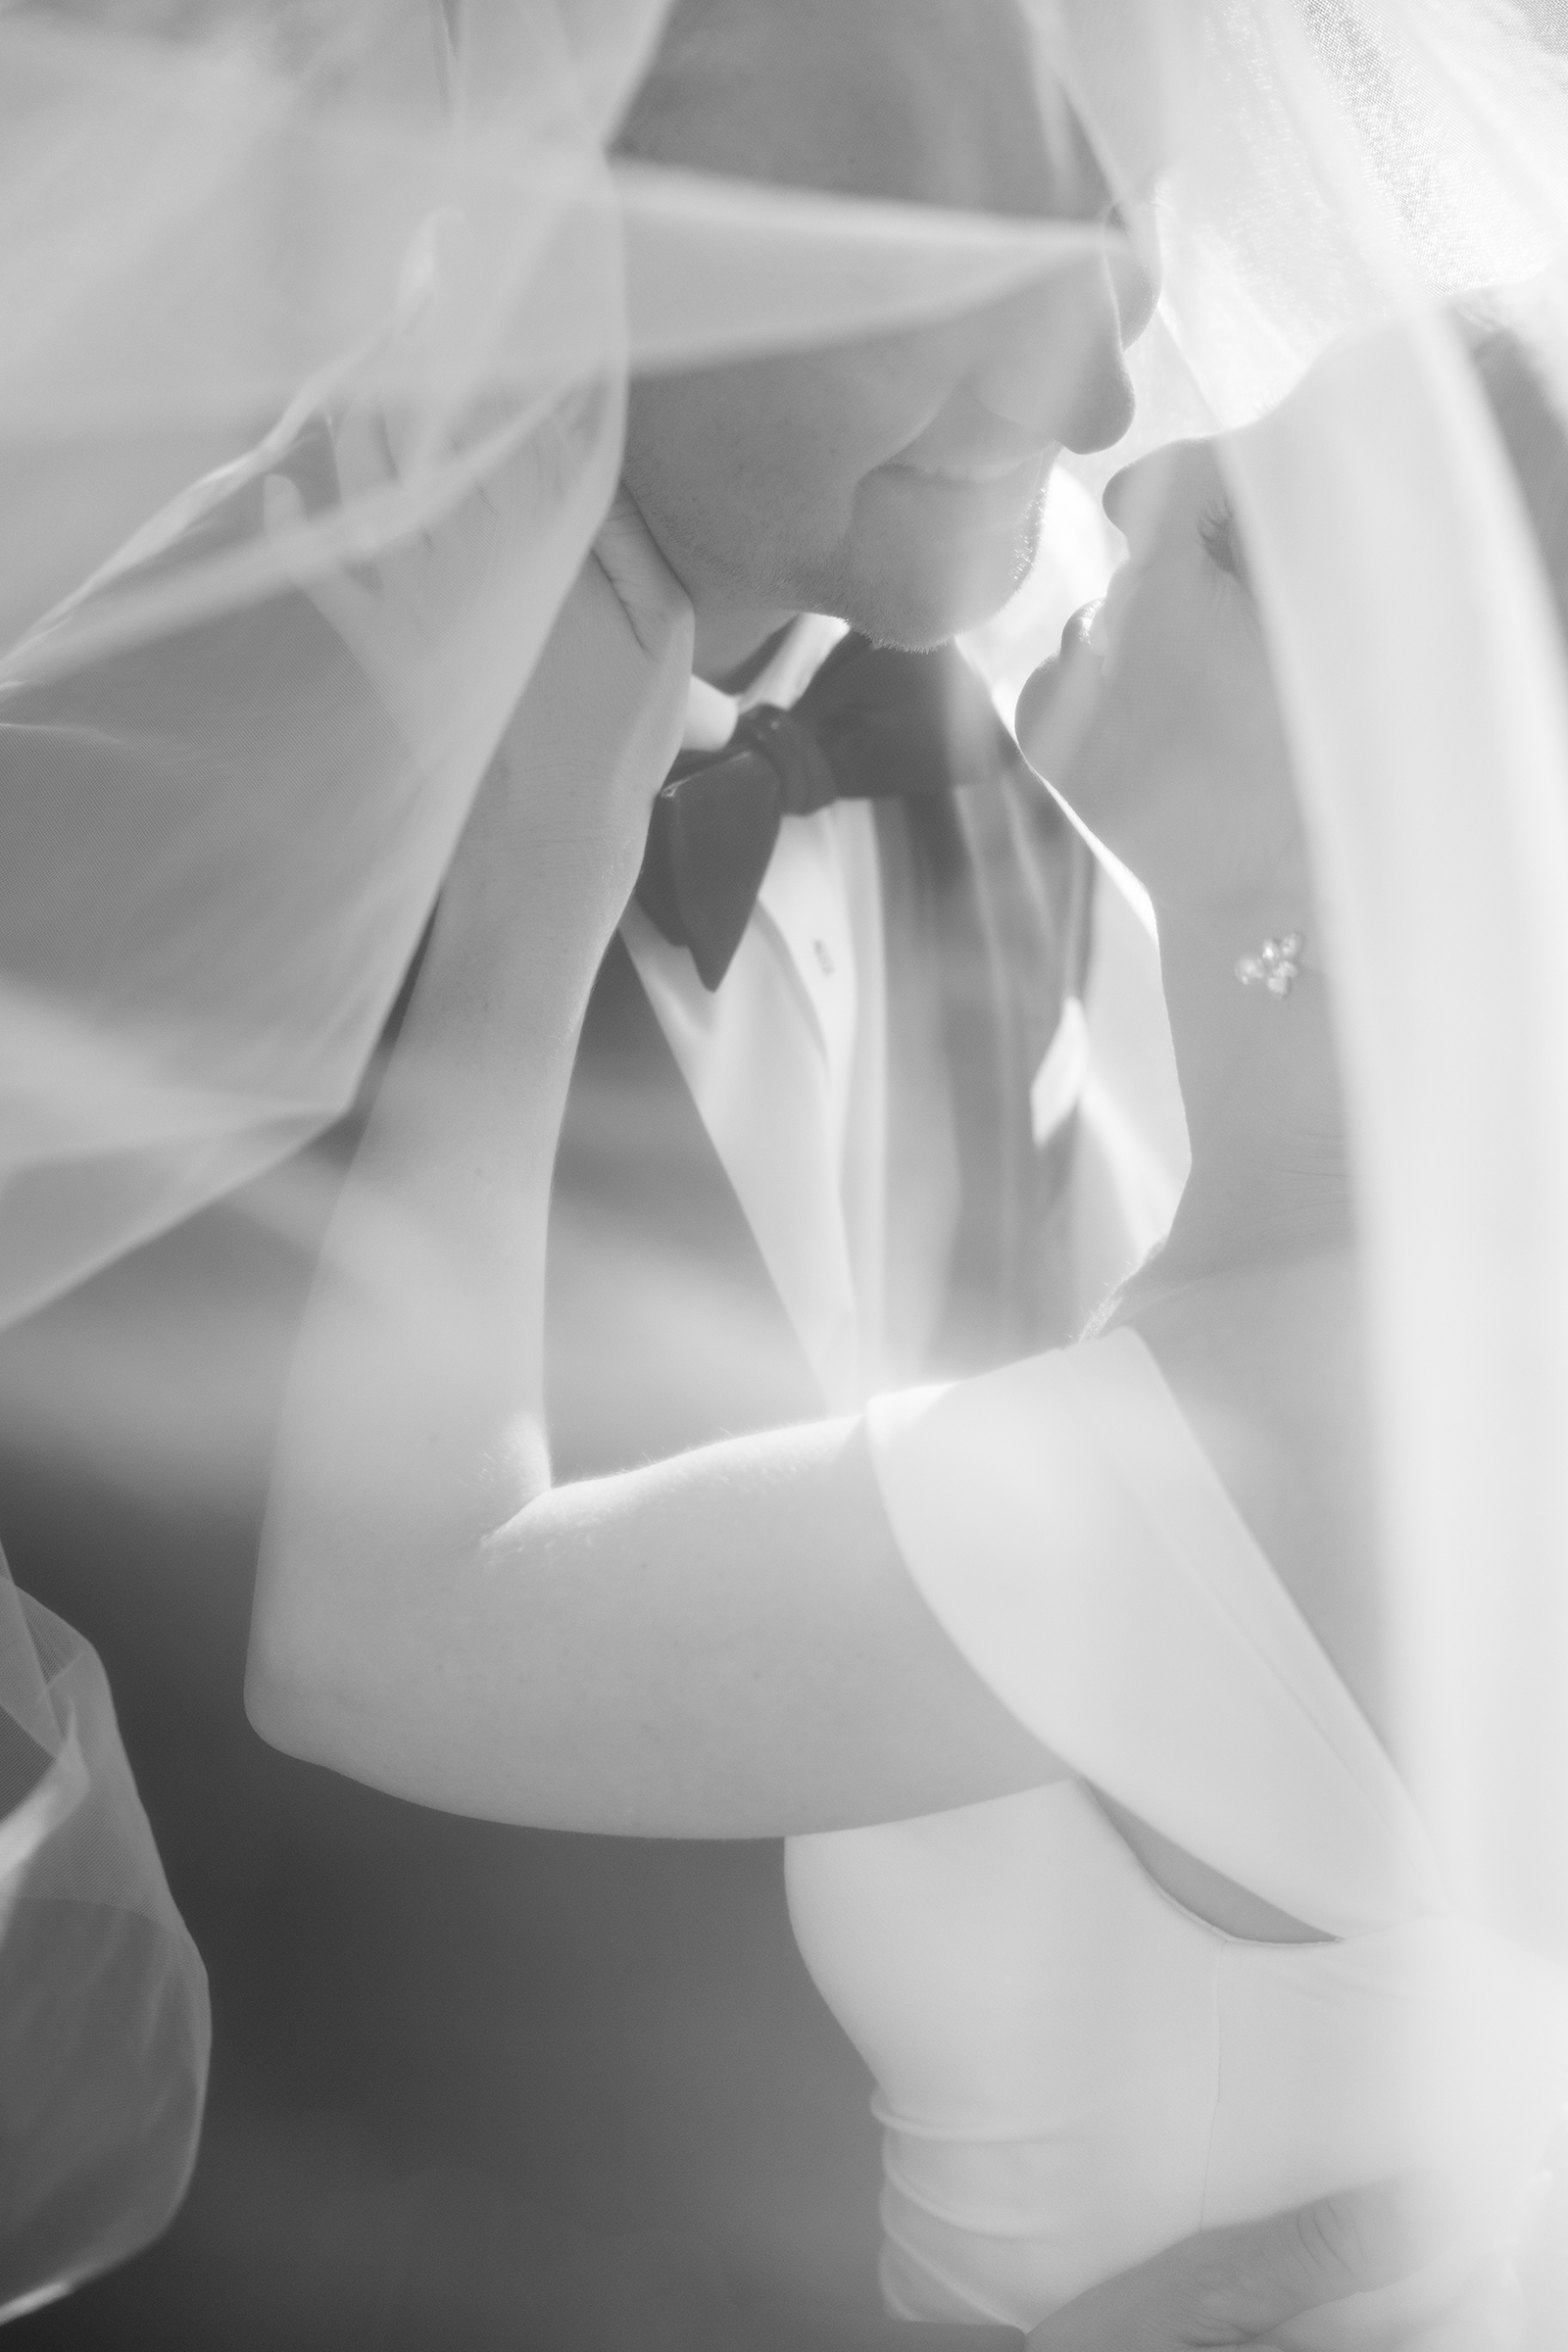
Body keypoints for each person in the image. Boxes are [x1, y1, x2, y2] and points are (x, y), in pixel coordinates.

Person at [247, 311, 1568, 2349]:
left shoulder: (1246, 1439)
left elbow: (375, 1640)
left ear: (1379, 793)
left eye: (1225, 540)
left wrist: (528, 892)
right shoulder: (1399, 1331)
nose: (1125, 479)